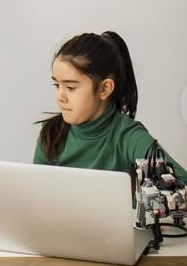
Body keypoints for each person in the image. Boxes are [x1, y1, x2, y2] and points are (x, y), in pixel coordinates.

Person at [34, 30, 187, 181]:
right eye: (57, 85)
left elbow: (181, 182)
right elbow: (38, 193)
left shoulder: (129, 138)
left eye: (71, 87)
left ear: (104, 89)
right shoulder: (50, 135)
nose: (60, 97)